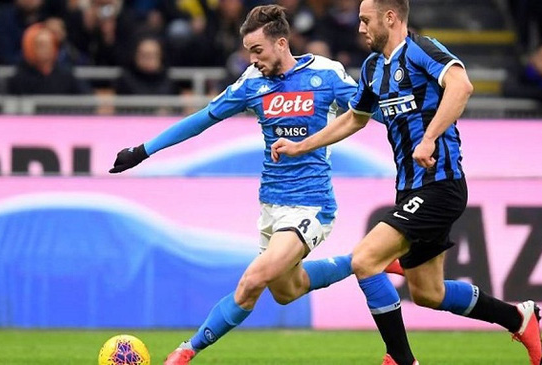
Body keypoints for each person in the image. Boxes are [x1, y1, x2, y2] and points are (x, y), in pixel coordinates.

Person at [108, 5, 401, 364]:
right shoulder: (251, 83)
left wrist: (421, 133)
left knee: (252, 281)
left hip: (312, 204)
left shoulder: (326, 74)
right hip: (271, 206)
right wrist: (143, 150)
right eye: (249, 51)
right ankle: (365, 260)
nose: (253, 58)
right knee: (287, 290)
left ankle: (186, 351)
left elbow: (368, 111)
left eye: (257, 50)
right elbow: (202, 120)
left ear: (281, 43)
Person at [271, 1, 542, 364]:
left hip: (440, 183)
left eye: (365, 20)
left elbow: (461, 86)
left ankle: (401, 358)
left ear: (390, 17)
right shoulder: (372, 68)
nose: (360, 29)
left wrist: (430, 137)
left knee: (366, 259)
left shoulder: (421, 50)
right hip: (411, 189)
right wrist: (301, 146)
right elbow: (355, 117)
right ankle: (517, 317)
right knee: (428, 293)